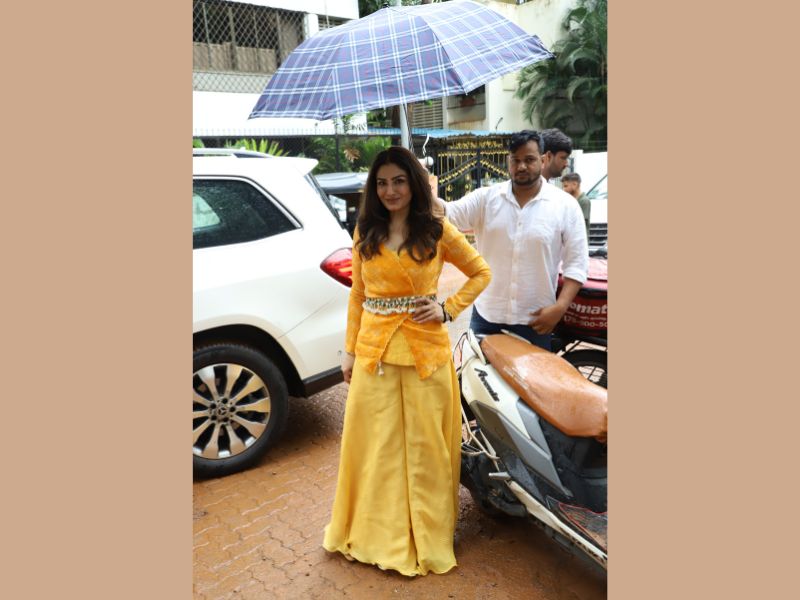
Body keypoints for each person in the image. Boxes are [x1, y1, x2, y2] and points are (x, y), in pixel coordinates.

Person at [323, 146, 491, 576]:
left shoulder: (435, 228)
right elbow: (358, 295)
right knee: (375, 449)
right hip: (374, 355)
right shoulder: (366, 231)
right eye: (381, 183)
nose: (390, 190)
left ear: (413, 184)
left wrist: (447, 309)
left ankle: (425, 536)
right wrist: (349, 350)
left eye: (399, 181)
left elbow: (481, 272)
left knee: (424, 451)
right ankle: (376, 533)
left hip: (423, 355)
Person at [435, 130, 588, 350]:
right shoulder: (486, 199)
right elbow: (448, 212)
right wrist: (418, 183)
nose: (522, 166)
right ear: (508, 161)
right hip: (486, 318)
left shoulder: (565, 206)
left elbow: (577, 264)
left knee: (535, 375)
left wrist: (560, 308)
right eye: (515, 160)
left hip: (536, 322)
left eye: (529, 159)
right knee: (476, 374)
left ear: (543, 159)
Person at [561, 171, 591, 238]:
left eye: (566, 186)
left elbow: (580, 224)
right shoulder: (570, 200)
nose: (564, 189)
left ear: (574, 184)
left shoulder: (584, 201)